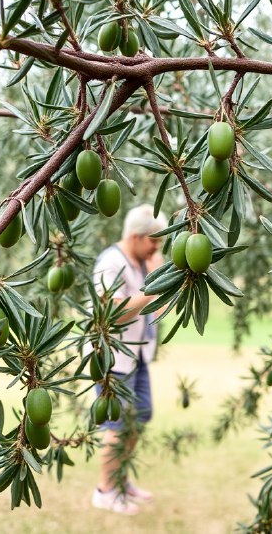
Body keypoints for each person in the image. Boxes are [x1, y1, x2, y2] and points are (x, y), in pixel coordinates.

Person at [89, 204, 167, 515]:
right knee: (117, 425)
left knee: (141, 415)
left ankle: (121, 480)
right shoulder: (111, 262)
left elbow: (156, 311)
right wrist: (155, 285)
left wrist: (157, 277)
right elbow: (114, 313)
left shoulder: (141, 264)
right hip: (113, 359)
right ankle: (105, 491)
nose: (157, 248)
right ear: (136, 236)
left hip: (137, 355)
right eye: (154, 241)